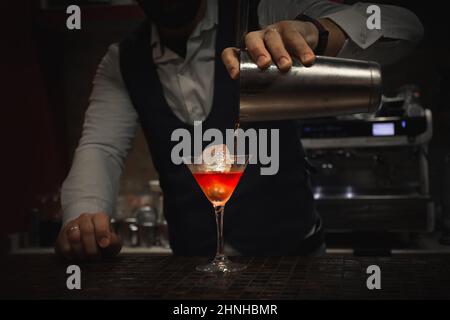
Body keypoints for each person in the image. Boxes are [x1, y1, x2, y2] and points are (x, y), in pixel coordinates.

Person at [55, 0, 423, 260]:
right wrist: (84, 217)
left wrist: (316, 32)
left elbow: (405, 27)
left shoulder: (261, 10)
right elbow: (101, 147)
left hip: (297, 264)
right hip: (193, 276)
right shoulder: (123, 61)